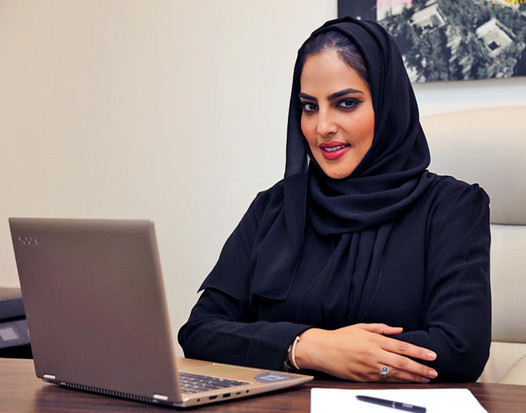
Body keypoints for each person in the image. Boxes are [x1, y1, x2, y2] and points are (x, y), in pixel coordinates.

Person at [178, 17, 491, 384]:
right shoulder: (274, 208)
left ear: (388, 105)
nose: (322, 127)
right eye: (309, 107)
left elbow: (460, 350)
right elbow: (200, 331)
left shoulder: (452, 207)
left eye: (346, 103)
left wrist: (343, 356)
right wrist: (308, 347)